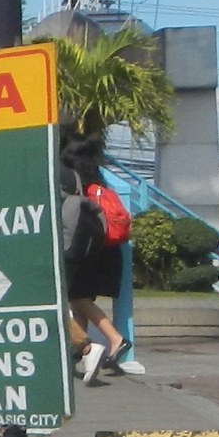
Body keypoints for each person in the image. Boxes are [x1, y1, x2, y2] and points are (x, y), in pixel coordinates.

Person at [61, 142, 133, 384]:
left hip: (86, 247)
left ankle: (113, 340)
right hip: (102, 246)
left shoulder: (73, 180)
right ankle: (80, 354)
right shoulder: (98, 182)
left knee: (78, 298)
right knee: (78, 298)